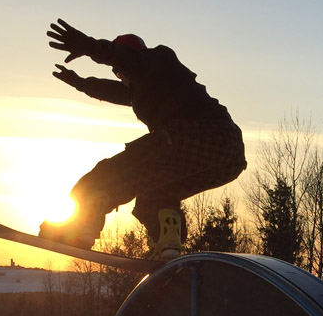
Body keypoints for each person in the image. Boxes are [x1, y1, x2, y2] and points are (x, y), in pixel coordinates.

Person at [40, 19, 246, 259]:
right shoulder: (152, 84)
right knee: (155, 196)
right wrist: (83, 84)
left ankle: (81, 228)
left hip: (196, 134)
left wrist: (88, 46)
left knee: (103, 175)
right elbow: (119, 92)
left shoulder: (158, 60)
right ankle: (169, 245)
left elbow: (125, 59)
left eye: (119, 72)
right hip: (227, 157)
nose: (120, 77)